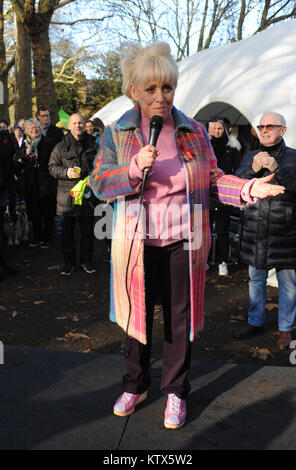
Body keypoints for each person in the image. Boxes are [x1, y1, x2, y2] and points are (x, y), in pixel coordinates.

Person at [89, 42, 284, 429]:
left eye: (168, 88)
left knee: (179, 318)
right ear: (134, 91)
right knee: (135, 317)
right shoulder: (118, 132)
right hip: (135, 243)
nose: (161, 97)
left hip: (184, 240)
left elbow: (214, 181)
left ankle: (176, 390)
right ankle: (135, 384)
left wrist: (247, 189)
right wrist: (131, 169)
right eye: (151, 89)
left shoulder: (193, 130)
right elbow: (98, 182)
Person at [234, 112, 296, 350]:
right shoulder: (250, 156)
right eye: (261, 126)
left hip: (285, 231)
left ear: (283, 130)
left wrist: (277, 168)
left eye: (271, 126)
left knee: (288, 283)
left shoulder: (293, 157)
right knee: (255, 279)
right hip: (255, 230)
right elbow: (235, 185)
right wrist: (252, 169)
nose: (265, 130)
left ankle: (286, 329)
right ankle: (255, 322)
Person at [48, 114, 99, 275]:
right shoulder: (60, 146)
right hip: (66, 196)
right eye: (75, 123)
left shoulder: (93, 144)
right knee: (67, 234)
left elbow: (101, 164)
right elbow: (51, 167)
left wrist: (94, 177)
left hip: (87, 195)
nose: (78, 126)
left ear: (84, 125)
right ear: (69, 126)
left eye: (80, 123)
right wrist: (65, 172)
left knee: (87, 232)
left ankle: (87, 261)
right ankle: (69, 264)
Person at [13, 119, 57, 248]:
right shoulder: (23, 146)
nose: (34, 130)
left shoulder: (49, 143)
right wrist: (24, 154)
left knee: (47, 212)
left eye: (36, 127)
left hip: (46, 183)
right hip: (31, 185)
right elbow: (15, 165)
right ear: (26, 131)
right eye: (31, 128)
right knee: (34, 212)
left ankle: (48, 238)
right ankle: (37, 237)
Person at [209, 119, 242, 275]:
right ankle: (206, 260)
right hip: (206, 193)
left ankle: (222, 261)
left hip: (224, 194)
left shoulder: (232, 147)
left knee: (222, 230)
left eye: (220, 128)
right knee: (205, 230)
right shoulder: (205, 146)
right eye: (214, 128)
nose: (217, 131)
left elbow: (239, 168)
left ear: (225, 129)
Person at [0, 118, 17, 242]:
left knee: (4, 207)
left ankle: (6, 235)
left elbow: (15, 154)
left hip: (6, 179)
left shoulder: (7, 136)